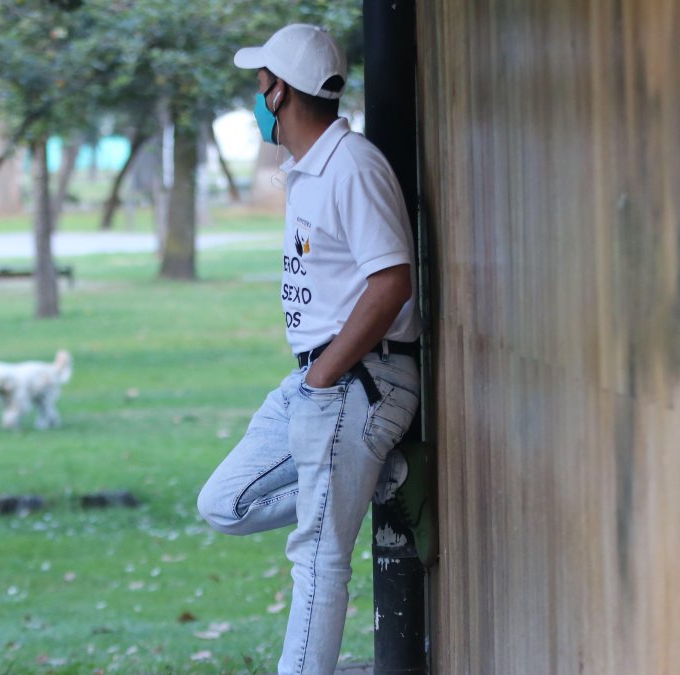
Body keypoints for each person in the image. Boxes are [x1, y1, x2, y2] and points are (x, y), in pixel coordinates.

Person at [196, 24, 423, 674]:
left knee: (318, 554)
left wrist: (325, 376)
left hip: (357, 381)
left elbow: (392, 281)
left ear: (279, 91)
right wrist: (315, 379)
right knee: (225, 501)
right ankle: (373, 473)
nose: (256, 96)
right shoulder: (308, 169)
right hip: (319, 380)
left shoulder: (351, 164)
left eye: (260, 82)